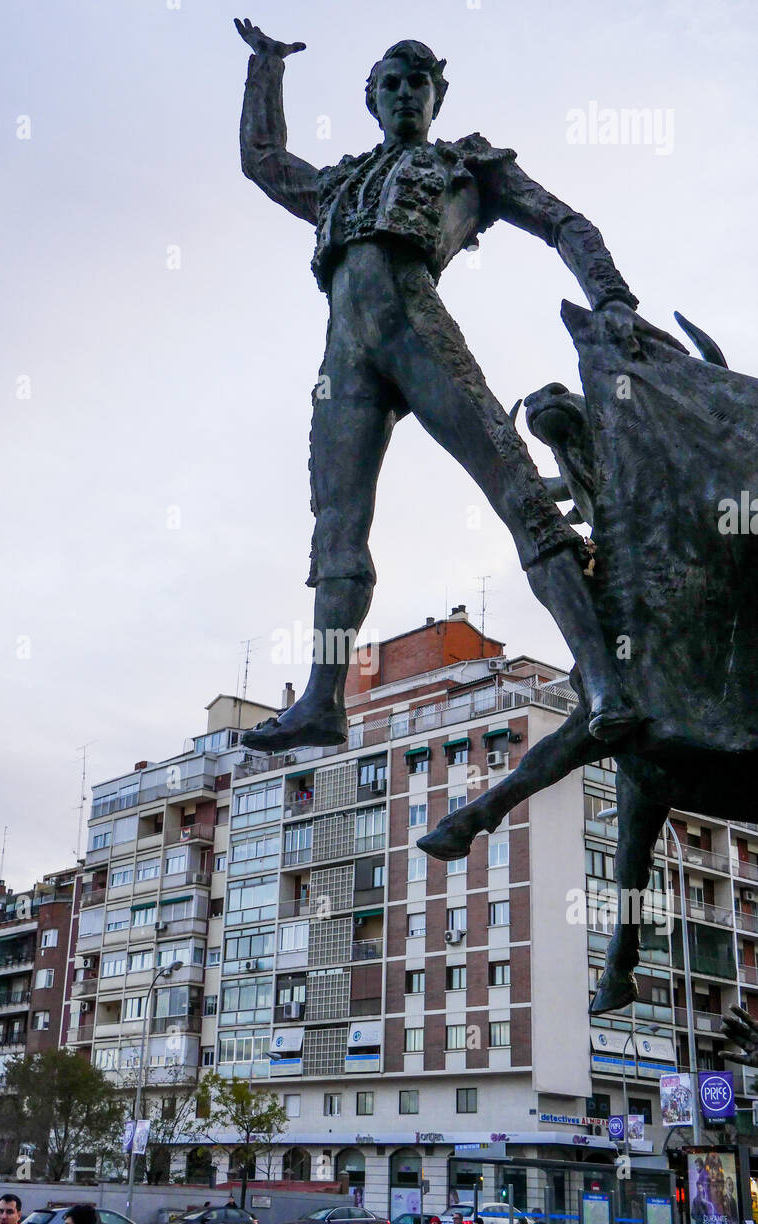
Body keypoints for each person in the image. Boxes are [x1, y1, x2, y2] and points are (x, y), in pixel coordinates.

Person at [236, 23, 642, 766]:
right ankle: (324, 699)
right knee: (335, 532)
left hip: (416, 325)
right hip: (345, 357)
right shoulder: (339, 181)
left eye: (416, 84)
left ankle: (606, 679)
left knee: (514, 484)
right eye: (389, 84)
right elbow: (262, 162)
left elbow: (563, 222)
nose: (402, 95)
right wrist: (265, 71)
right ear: (370, 99)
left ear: (437, 95)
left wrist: (611, 297)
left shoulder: (469, 164)